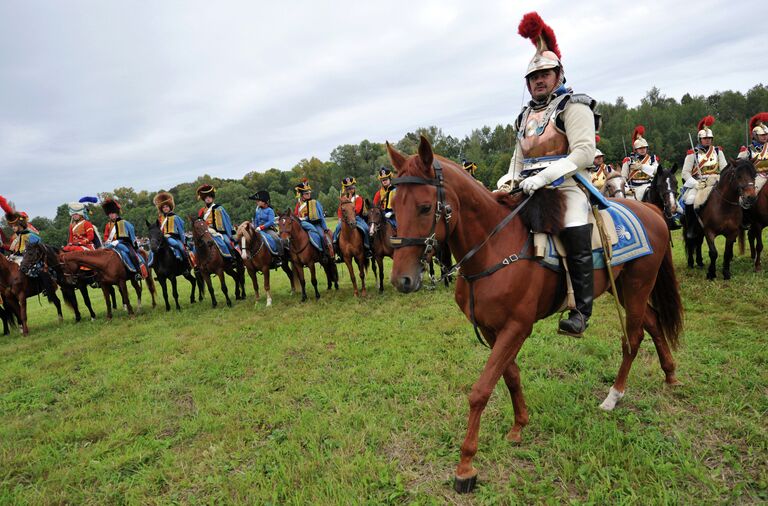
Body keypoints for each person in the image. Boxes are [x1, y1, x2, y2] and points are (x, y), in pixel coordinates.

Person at [495, 12, 599, 337]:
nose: (539, 80)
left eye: (545, 73)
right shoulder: (525, 116)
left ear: (558, 74)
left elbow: (584, 152)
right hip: (528, 188)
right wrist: (507, 179)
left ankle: (581, 311)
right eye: (533, 76)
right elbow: (519, 157)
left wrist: (545, 177)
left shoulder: (574, 105)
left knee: (573, 228)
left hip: (566, 186)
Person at [680, 116, 728, 236]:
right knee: (690, 200)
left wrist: (722, 180)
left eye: (709, 138)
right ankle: (691, 227)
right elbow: (685, 173)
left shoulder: (718, 151)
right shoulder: (692, 153)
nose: (707, 140)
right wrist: (696, 184)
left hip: (716, 181)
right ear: (700, 139)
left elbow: (725, 169)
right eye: (705, 138)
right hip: (699, 183)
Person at [101, 197, 147, 280]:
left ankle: (137, 271)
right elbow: (106, 236)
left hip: (123, 243)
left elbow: (123, 237)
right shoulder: (108, 225)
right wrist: (107, 241)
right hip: (110, 244)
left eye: (113, 213)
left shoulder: (122, 223)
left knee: (127, 252)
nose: (111, 215)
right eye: (110, 213)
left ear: (117, 213)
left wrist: (116, 242)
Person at [293, 178, 334, 261]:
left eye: (309, 193)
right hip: (302, 225)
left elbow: (321, 216)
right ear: (301, 195)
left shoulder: (315, 202)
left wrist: (325, 227)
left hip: (315, 224)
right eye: (306, 194)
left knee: (322, 236)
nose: (308, 195)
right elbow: (295, 215)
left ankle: (325, 253)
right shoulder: (298, 204)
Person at [333, 176, 371, 258]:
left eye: (352, 188)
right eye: (348, 189)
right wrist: (340, 218)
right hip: (345, 219)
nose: (350, 190)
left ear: (354, 188)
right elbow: (339, 210)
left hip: (357, 218)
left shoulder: (358, 198)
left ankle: (367, 248)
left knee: (365, 229)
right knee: (336, 230)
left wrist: (350, 214)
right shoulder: (343, 199)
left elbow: (357, 209)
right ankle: (337, 250)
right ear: (345, 189)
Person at [196, 184, 237, 257]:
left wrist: (230, 232)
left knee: (227, 242)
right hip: (206, 232)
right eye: (206, 198)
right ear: (204, 199)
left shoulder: (219, 208)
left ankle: (233, 258)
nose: (208, 199)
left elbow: (226, 220)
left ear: (212, 198)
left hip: (219, 231)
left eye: (209, 197)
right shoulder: (202, 211)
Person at [621, 125, 659, 201]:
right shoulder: (629, 160)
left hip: (649, 187)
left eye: (644, 147)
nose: (643, 150)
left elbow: (657, 170)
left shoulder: (652, 159)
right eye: (640, 148)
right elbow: (623, 178)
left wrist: (642, 167)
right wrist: (627, 189)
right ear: (636, 149)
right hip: (634, 189)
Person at [0, 194, 41, 264]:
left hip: (26, 260)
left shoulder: (30, 234)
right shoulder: (16, 236)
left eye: (14, 226)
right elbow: (13, 249)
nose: (13, 228)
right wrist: (2, 245)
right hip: (16, 257)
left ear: (20, 224)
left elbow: (33, 249)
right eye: (11, 226)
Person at [153, 191, 190, 267]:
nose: (165, 208)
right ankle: (153, 264)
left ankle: (186, 265)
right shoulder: (160, 219)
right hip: (163, 238)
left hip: (174, 237)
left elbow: (181, 230)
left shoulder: (175, 217)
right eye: (163, 207)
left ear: (170, 207)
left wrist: (184, 242)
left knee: (180, 247)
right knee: (153, 250)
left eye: (166, 206)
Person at [249, 190, 283, 266]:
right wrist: (255, 228)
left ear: (264, 202)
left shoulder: (270, 210)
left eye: (258, 201)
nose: (257, 202)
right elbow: (256, 221)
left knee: (277, 239)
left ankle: (279, 257)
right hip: (258, 230)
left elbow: (271, 222)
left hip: (268, 230)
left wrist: (261, 227)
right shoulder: (258, 211)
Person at [738, 113, 768, 195]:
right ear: (755, 135)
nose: (765, 137)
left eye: (766, 134)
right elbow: (739, 166)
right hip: (757, 177)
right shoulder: (748, 150)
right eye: (762, 135)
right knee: (754, 193)